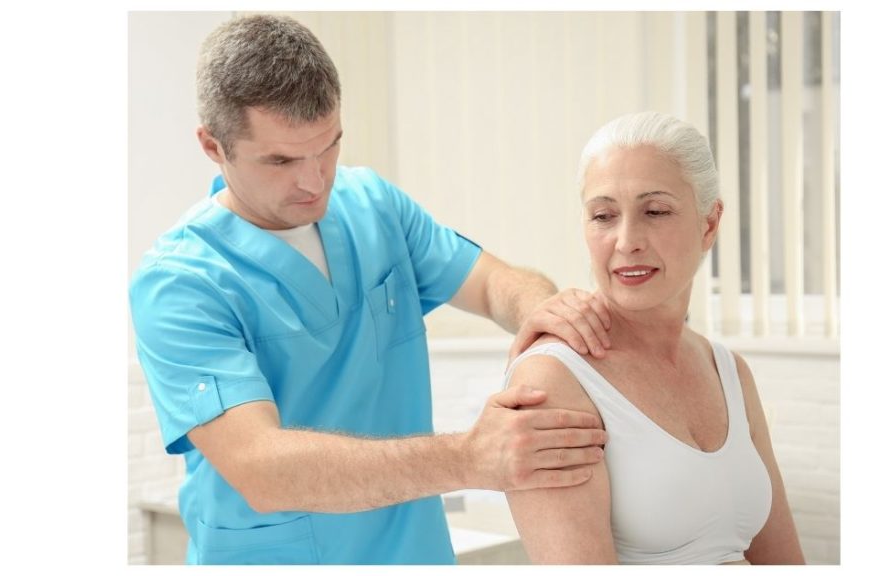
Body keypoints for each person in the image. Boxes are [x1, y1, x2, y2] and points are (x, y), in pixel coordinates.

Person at [129, 14, 614, 565]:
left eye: (329, 146)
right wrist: (472, 458)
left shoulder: (374, 206)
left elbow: (493, 283)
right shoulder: (180, 283)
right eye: (282, 160)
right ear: (213, 147)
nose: (315, 181)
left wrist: (544, 309)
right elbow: (261, 467)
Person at [504, 111, 806, 564]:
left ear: (709, 223)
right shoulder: (553, 380)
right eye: (604, 215)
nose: (627, 241)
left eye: (656, 211)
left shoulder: (728, 370)